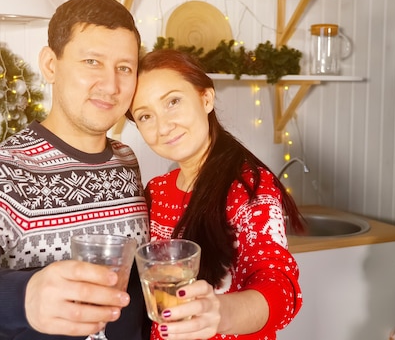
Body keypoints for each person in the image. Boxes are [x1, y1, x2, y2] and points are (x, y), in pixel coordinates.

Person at [0, 0, 151, 340]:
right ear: (50, 65)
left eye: (124, 68)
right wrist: (25, 295)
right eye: (92, 61)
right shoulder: (3, 167)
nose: (111, 85)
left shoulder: (125, 160)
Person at [127, 48, 304, 339]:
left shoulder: (248, 188)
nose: (163, 126)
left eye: (173, 101)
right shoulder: (157, 191)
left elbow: (281, 290)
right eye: (146, 116)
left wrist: (219, 314)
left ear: (205, 98)